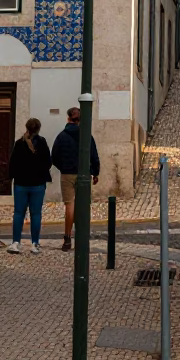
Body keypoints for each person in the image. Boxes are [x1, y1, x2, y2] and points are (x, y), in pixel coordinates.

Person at [51, 106, 100, 252]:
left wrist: (63, 167)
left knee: (70, 206)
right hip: (83, 174)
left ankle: (67, 237)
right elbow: (93, 155)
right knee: (82, 205)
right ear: (80, 120)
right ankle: (81, 238)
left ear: (68, 118)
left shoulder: (61, 136)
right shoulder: (86, 136)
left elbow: (54, 157)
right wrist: (95, 172)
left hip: (67, 174)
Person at [7, 118, 52, 254]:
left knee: (19, 213)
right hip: (38, 184)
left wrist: (11, 178)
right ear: (38, 129)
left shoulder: (19, 144)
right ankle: (35, 243)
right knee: (36, 214)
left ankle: (16, 242)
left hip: (21, 183)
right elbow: (48, 162)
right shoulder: (42, 143)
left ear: (26, 128)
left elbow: (12, 164)